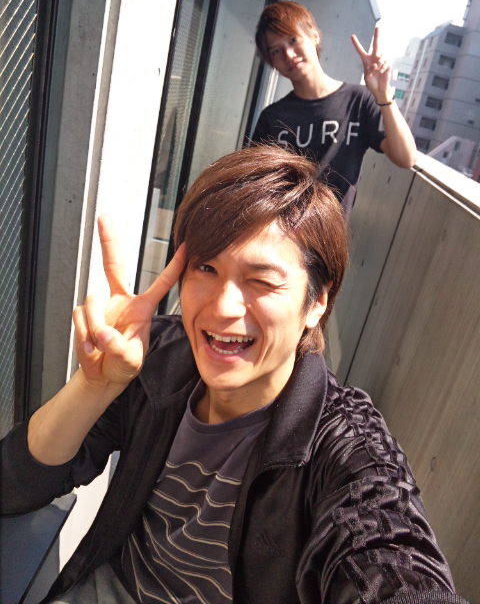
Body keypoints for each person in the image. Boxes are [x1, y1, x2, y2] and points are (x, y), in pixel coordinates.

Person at [0, 146, 468, 604]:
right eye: (206, 268)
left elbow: (389, 554)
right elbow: (15, 486)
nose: (223, 308)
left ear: (317, 301)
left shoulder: (343, 446)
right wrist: (96, 385)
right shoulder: (159, 358)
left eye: (260, 280)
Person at [251, 1, 417, 215]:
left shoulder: (358, 101)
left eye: (293, 40)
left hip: (331, 232)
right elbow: (255, 185)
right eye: (276, 51)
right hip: (282, 230)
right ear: (271, 62)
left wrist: (384, 96)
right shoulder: (272, 117)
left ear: (313, 35)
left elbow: (406, 158)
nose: (289, 54)